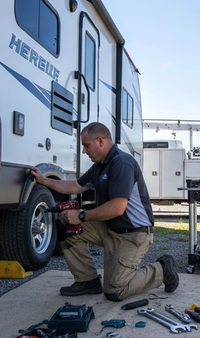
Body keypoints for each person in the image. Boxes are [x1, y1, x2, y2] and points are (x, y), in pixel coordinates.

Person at [28, 122, 177, 301]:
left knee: (115, 291)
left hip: (133, 234)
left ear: (100, 141)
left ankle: (162, 269)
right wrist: (44, 180)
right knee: (65, 224)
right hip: (110, 228)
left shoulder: (122, 163)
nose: (84, 151)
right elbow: (75, 185)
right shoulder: (99, 166)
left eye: (86, 145)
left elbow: (117, 207)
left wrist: (81, 216)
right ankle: (87, 281)